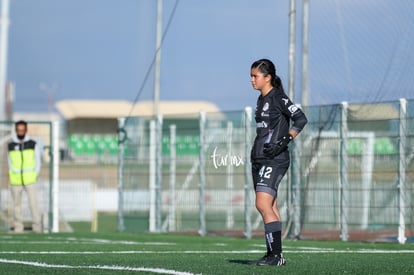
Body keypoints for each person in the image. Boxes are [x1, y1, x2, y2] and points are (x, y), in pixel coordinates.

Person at [249, 59, 307, 266]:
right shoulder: (260, 99)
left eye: (255, 76)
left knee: (262, 203)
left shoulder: (279, 98)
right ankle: (273, 254)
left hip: (275, 159)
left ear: (268, 77)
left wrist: (285, 140)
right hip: (258, 159)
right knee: (270, 205)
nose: (252, 79)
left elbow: (300, 119)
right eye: (251, 75)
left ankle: (276, 256)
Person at [8, 120, 42, 233]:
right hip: (16, 180)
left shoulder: (32, 144)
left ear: (26, 130)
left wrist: (35, 174)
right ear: (16, 130)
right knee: (17, 205)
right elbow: (9, 162)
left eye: (22, 130)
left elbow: (38, 161)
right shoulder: (11, 145)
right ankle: (18, 227)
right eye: (18, 130)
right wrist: (12, 172)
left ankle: (37, 226)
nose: (20, 132)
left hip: (30, 179)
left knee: (33, 203)